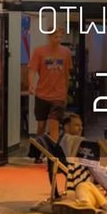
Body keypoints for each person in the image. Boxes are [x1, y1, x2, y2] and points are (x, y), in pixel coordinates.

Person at [28, 27, 72, 161]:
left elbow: (67, 73)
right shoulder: (39, 51)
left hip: (58, 95)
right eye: (55, 37)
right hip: (42, 93)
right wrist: (31, 84)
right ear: (49, 37)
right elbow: (32, 69)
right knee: (41, 126)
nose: (58, 40)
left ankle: (53, 156)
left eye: (60, 37)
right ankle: (37, 153)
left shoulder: (65, 52)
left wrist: (66, 92)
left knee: (54, 124)